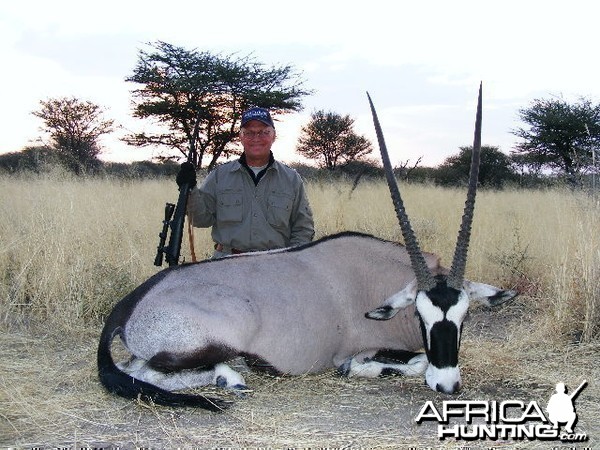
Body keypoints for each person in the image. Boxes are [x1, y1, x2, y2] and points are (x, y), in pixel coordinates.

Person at [176, 107, 314, 258]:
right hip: (226, 264)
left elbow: (303, 228)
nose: (256, 138)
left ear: (274, 136)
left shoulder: (292, 179)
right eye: (249, 133)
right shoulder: (219, 175)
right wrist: (190, 189)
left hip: (275, 266)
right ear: (240, 137)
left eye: (264, 132)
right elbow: (201, 220)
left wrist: (290, 260)